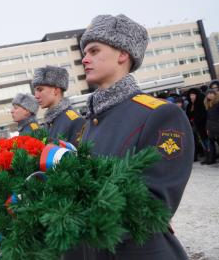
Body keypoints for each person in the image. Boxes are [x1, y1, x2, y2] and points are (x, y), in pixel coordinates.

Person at [63, 14, 194, 260]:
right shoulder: (87, 126)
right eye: (85, 52)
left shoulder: (161, 115)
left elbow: (153, 206)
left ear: (122, 54)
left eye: (94, 50)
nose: (85, 58)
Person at [33, 65, 85, 146]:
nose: (36, 96)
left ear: (56, 90)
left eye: (40, 90)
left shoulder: (74, 120)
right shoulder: (50, 120)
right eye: (35, 91)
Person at [186, 88, 208, 162]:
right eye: (190, 95)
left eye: (193, 95)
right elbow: (188, 115)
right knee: (200, 141)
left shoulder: (200, 102)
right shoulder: (190, 104)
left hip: (203, 126)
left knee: (206, 140)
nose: (192, 96)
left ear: (196, 95)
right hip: (195, 126)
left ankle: (210, 154)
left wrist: (196, 119)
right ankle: (206, 155)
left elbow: (203, 114)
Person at [204, 88, 219, 164]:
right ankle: (212, 159)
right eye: (207, 94)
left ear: (214, 94)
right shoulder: (208, 104)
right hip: (211, 128)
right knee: (211, 144)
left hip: (217, 127)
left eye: (211, 93)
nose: (209, 95)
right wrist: (207, 128)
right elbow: (208, 118)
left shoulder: (217, 103)